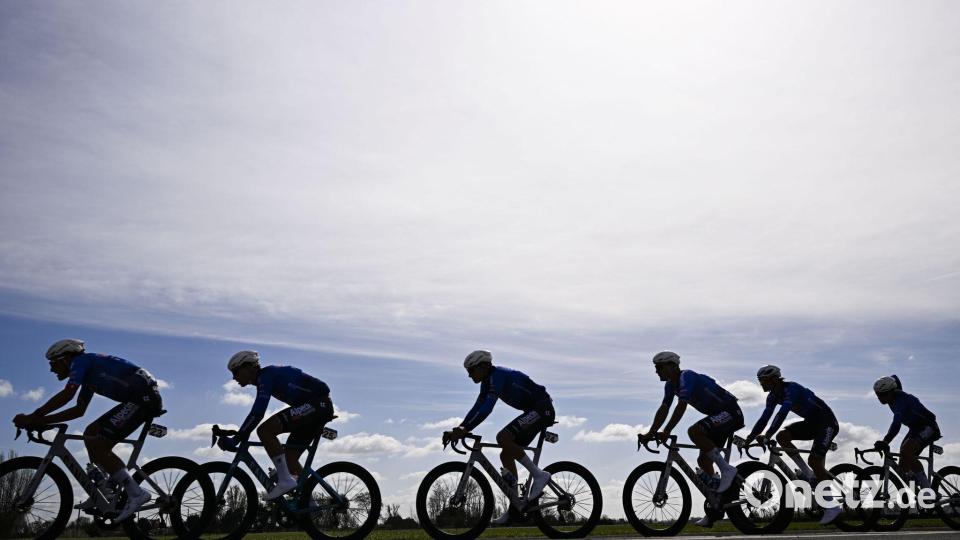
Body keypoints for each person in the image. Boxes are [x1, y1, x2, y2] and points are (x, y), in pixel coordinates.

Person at [12, 339, 163, 521]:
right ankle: (105, 489)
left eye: (53, 364)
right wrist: (42, 420)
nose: (51, 369)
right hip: (138, 398)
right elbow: (79, 410)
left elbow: (67, 394)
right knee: (90, 432)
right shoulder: (89, 373)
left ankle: (136, 493)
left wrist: (34, 416)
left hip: (143, 399)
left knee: (99, 446)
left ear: (65, 359)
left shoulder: (81, 361)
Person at [446, 350, 554, 525]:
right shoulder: (487, 382)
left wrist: (464, 429)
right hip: (534, 410)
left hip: (542, 409)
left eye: (471, 370)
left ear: (484, 366)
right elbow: (477, 407)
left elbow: (487, 409)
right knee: (505, 454)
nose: (469, 375)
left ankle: (539, 475)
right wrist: (462, 427)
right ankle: (515, 507)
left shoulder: (498, 376)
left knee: (503, 437)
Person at [638, 351, 744, 527]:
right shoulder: (670, 385)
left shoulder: (686, 377)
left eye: (659, 367)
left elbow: (681, 405)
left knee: (694, 431)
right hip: (718, 416)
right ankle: (716, 505)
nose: (656, 371)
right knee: (703, 461)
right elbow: (664, 408)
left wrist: (667, 430)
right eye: (656, 368)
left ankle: (727, 470)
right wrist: (651, 432)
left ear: (672, 366)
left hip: (731, 412)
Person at [218, 350, 334, 500]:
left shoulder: (266, 376)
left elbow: (257, 413)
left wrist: (237, 438)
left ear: (248, 367)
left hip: (318, 404)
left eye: (236, 372)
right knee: (289, 459)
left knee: (265, 430)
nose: (234, 377)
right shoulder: (264, 378)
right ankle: (308, 503)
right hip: (316, 407)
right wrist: (240, 435)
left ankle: (285, 480)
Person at [745, 365, 841, 525]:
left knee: (814, 461)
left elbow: (782, 413)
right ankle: (809, 474)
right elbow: (764, 418)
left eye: (764, 380)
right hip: (811, 423)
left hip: (827, 422)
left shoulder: (792, 389)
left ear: (775, 379)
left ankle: (832, 506)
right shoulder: (772, 397)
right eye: (760, 381)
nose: (761, 384)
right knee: (782, 436)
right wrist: (749, 438)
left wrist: (767, 435)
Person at [873, 375, 941, 491]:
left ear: (891, 391)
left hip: (928, 427)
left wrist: (885, 441)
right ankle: (916, 487)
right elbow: (895, 378)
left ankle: (927, 491)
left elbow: (896, 424)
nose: (880, 398)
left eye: (882, 394)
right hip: (915, 428)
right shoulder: (892, 396)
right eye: (877, 394)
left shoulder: (901, 401)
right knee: (903, 465)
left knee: (906, 451)